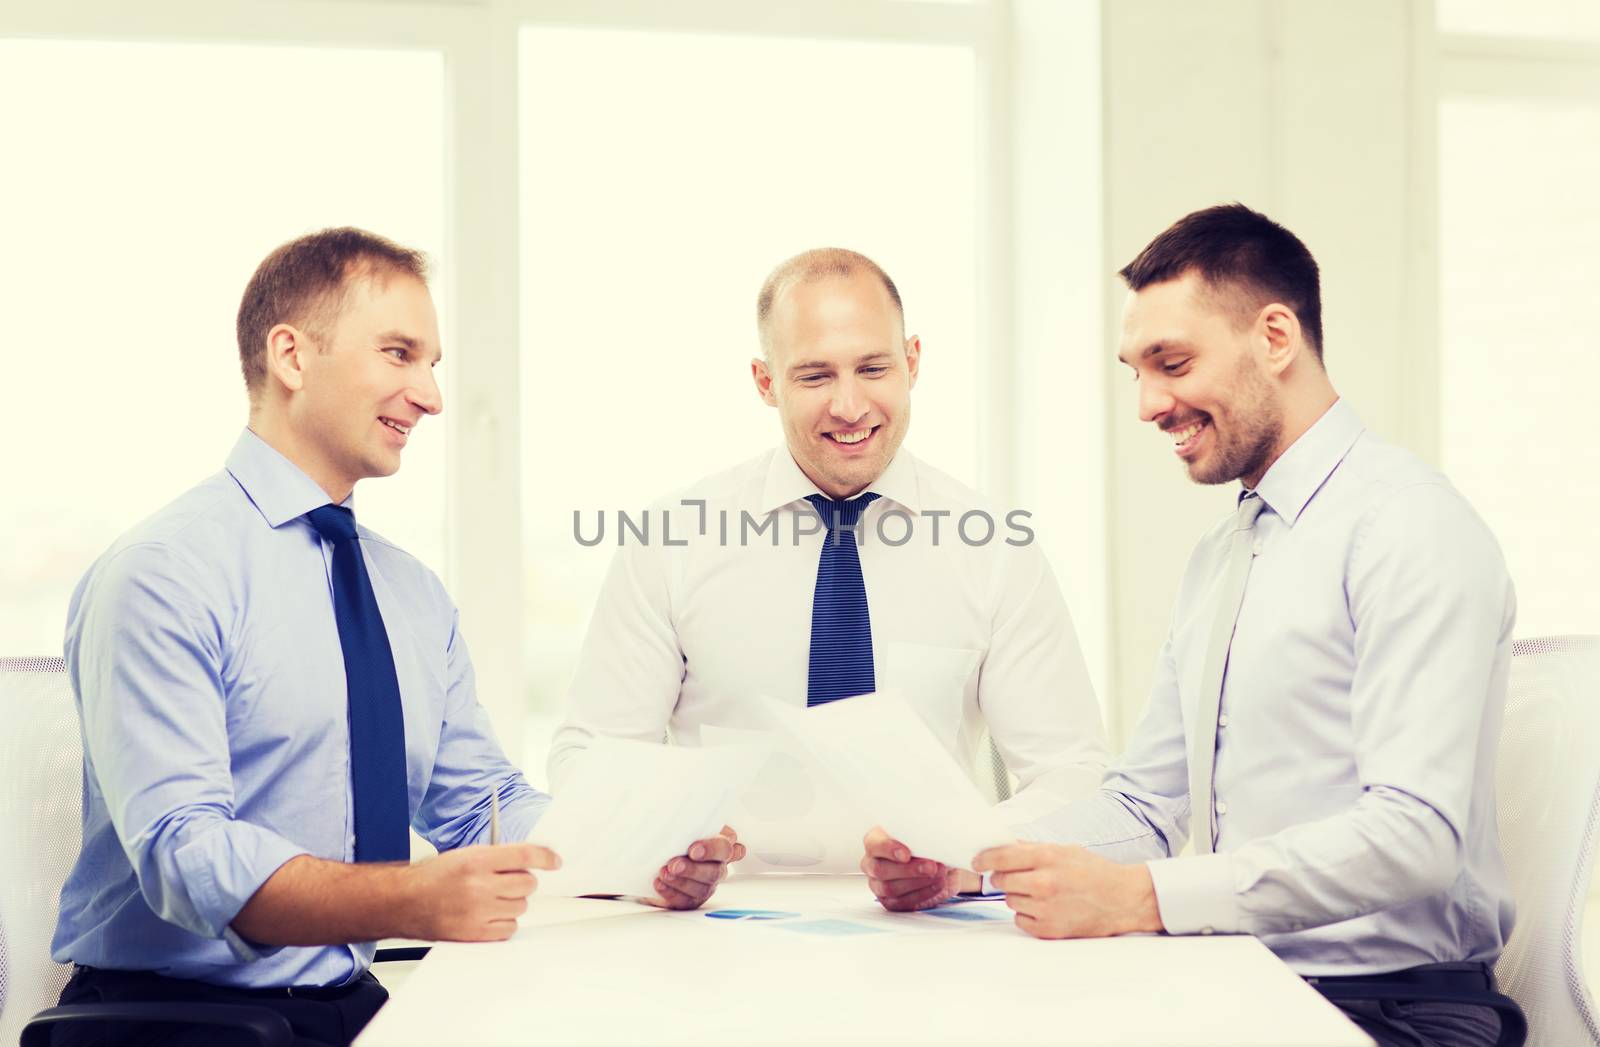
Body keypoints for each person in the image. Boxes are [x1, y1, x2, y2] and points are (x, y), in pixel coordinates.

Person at [51, 228, 738, 1047]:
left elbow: (482, 802)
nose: (433, 396)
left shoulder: (408, 594)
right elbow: (185, 854)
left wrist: (639, 859)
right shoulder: (164, 572)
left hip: (347, 1003)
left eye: (433, 364)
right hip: (175, 1022)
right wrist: (409, 896)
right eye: (400, 354)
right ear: (292, 357)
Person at [865, 204, 1525, 1047]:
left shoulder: (1409, 527)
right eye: (1135, 370)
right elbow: (1145, 803)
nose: (1147, 403)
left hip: (1396, 1011)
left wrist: (1144, 897)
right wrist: (964, 856)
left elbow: (1416, 836)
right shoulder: (1224, 554)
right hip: (1241, 982)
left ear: (1276, 337)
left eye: (1171, 363)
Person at [549, 247, 1108, 880]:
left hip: (936, 943)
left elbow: (1072, 775)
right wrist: (654, 852)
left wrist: (963, 857)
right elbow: (592, 755)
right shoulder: (669, 541)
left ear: (913, 362)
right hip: (713, 937)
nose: (849, 406)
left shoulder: (995, 550)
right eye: (815, 376)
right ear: (766, 382)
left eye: (873, 368)